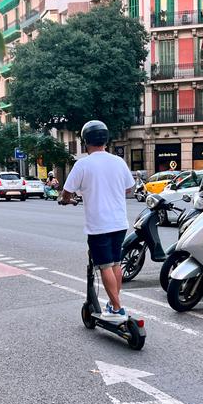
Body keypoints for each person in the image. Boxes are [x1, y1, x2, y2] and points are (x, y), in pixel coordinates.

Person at [60, 120, 135, 320]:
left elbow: (66, 193)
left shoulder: (83, 164)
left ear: (86, 141)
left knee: (104, 266)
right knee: (116, 263)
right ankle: (113, 303)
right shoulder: (118, 162)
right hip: (119, 222)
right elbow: (129, 188)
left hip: (98, 225)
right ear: (106, 139)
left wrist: (66, 200)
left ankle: (118, 307)